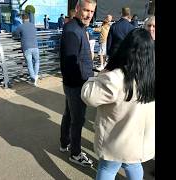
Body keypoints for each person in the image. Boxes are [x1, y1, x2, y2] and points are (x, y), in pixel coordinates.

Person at [81, 28, 155, 180]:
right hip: (138, 142)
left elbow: (88, 96)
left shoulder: (116, 78)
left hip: (117, 141)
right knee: (133, 165)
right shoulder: (151, 77)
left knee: (107, 168)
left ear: (126, 48)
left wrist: (101, 74)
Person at [59, 0, 96, 167]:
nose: (89, 15)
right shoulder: (73, 30)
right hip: (77, 85)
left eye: (92, 11)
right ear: (77, 9)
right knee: (78, 120)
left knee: (69, 115)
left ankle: (64, 143)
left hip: (75, 84)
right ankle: (75, 153)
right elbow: (70, 64)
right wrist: (83, 87)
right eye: (86, 10)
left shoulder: (77, 27)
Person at [14, 14, 40, 86]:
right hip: (35, 46)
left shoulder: (21, 26)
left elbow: (15, 34)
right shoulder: (33, 25)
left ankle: (33, 78)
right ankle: (36, 75)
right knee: (37, 61)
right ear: (28, 19)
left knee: (30, 64)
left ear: (22, 19)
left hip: (27, 48)